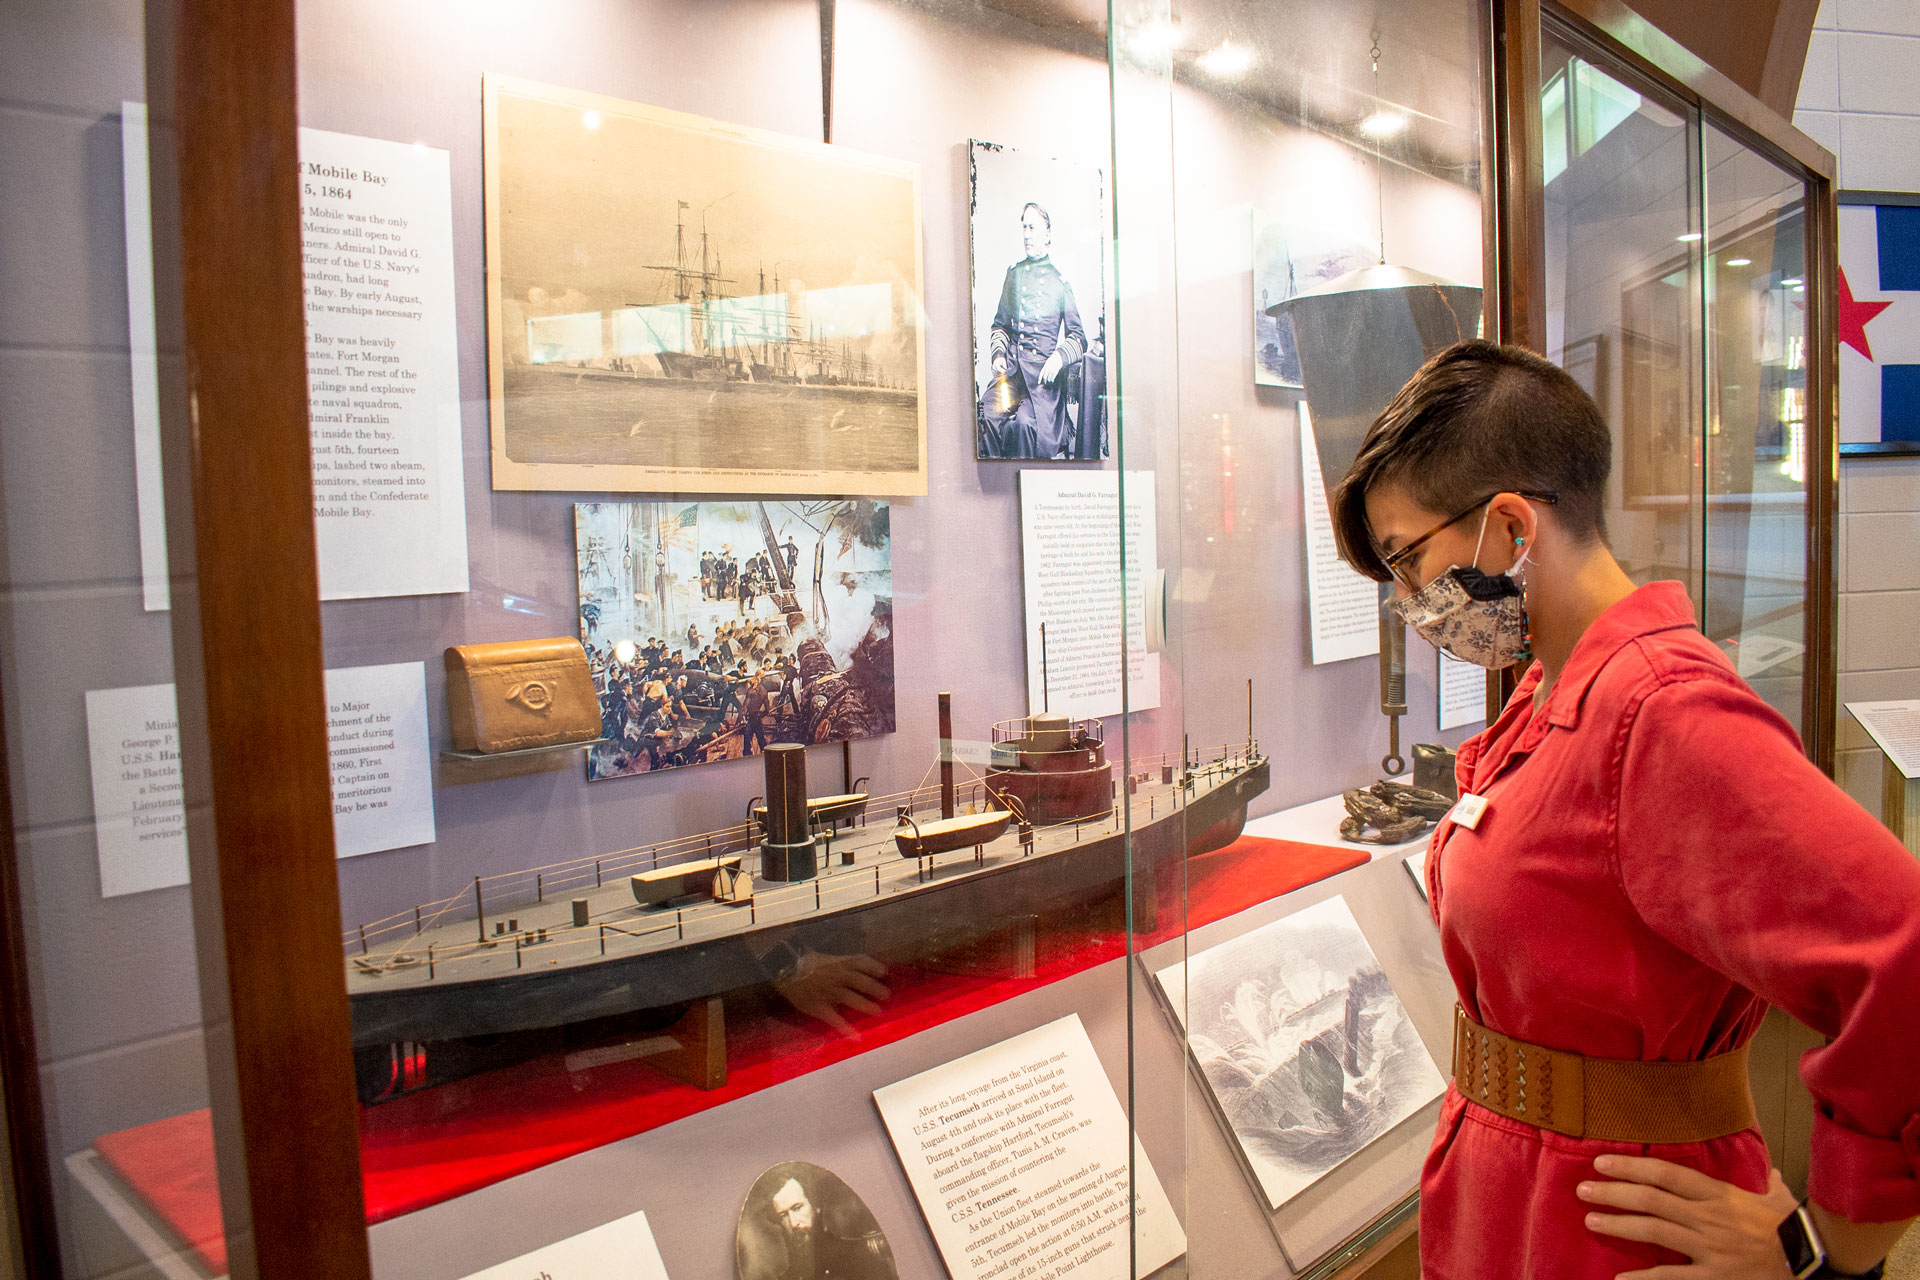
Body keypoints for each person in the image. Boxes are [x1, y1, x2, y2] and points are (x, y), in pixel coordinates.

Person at [1329, 340, 1920, 1280]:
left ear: (1512, 531)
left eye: (1409, 559)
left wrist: (1828, 1249)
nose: (1410, 600)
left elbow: (1904, 948)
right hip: (1519, 1202)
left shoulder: (1659, 712)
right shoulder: (1554, 691)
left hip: (1615, 1225)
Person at [978, 201, 1085, 460]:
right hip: (1012, 377)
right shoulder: (1014, 275)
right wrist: (998, 355)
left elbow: (1078, 338)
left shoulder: (1060, 283)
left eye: (1032, 228)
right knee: (986, 414)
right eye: (1024, 227)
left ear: (1047, 233)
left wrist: (1058, 358)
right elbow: (1000, 325)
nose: (1026, 234)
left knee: (1025, 427)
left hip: (1042, 384)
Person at [761, 1175, 893, 1280]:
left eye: (797, 1208)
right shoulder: (790, 1276)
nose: (793, 1223)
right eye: (783, 1215)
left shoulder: (858, 1256)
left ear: (814, 1206)